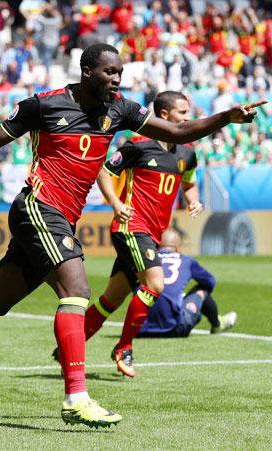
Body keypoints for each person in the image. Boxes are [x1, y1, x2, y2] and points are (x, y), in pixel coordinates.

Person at [0, 43, 265, 428]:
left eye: (120, 74)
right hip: (37, 206)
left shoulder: (121, 110)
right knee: (76, 290)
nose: (116, 80)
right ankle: (76, 397)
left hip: (62, 217)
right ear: (86, 71)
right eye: (109, 73)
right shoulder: (44, 105)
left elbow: (180, 131)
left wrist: (226, 118)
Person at [52, 90, 204, 378]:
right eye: (182, 113)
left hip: (152, 233)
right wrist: (117, 203)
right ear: (164, 115)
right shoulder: (138, 145)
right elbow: (104, 171)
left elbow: (189, 183)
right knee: (155, 285)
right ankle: (123, 348)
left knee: (112, 298)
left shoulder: (186, 153)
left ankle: (66, 349)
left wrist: (193, 199)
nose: (188, 117)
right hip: (131, 227)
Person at [136, 229, 236, 338]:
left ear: (157, 244)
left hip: (139, 329)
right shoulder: (186, 260)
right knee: (202, 289)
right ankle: (217, 324)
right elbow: (210, 282)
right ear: (178, 248)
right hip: (175, 328)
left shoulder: (145, 259)